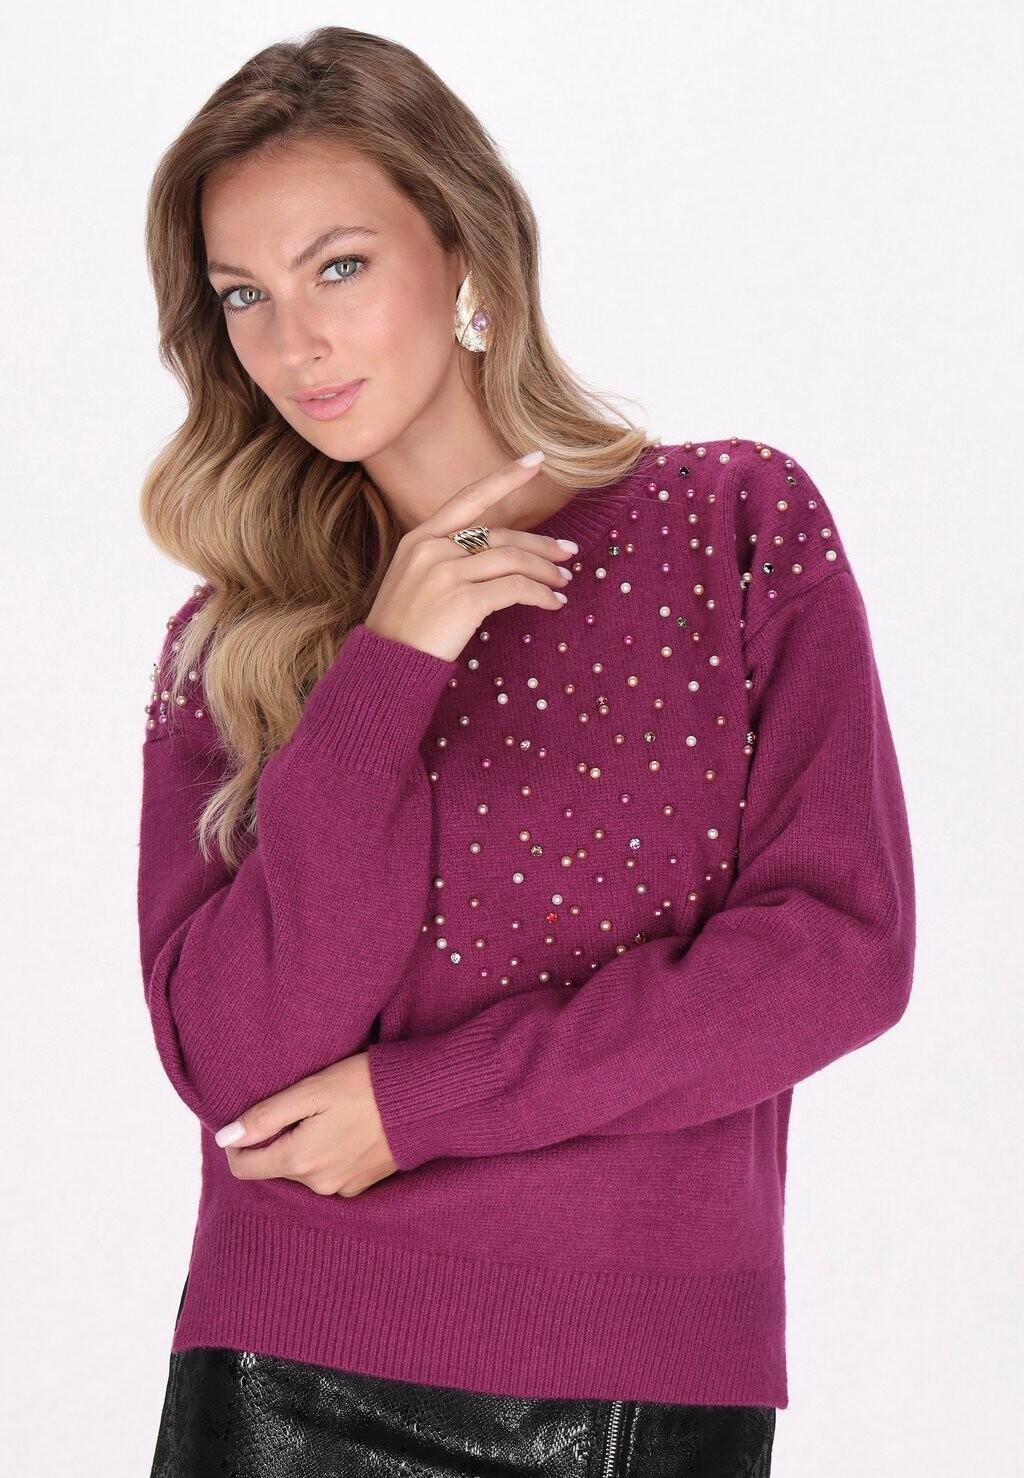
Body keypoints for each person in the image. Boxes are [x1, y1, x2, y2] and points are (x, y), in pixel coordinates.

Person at [137, 24, 915, 1478]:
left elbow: (837, 955)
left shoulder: (730, 527)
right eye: (244, 295)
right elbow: (237, 1060)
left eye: (337, 266)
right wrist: (391, 665)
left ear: (466, 250)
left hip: (640, 1387)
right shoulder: (231, 642)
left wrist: (421, 1103)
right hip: (282, 1380)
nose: (293, 342)